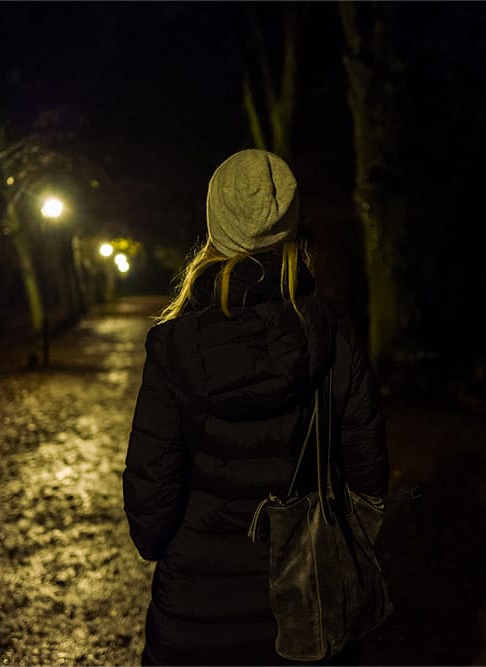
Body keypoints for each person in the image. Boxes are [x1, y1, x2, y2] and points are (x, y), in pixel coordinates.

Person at [122, 149, 389, 666]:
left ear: (215, 226)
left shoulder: (175, 347)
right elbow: (370, 483)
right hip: (306, 613)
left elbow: (150, 510)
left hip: (196, 614)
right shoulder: (332, 335)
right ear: (287, 227)